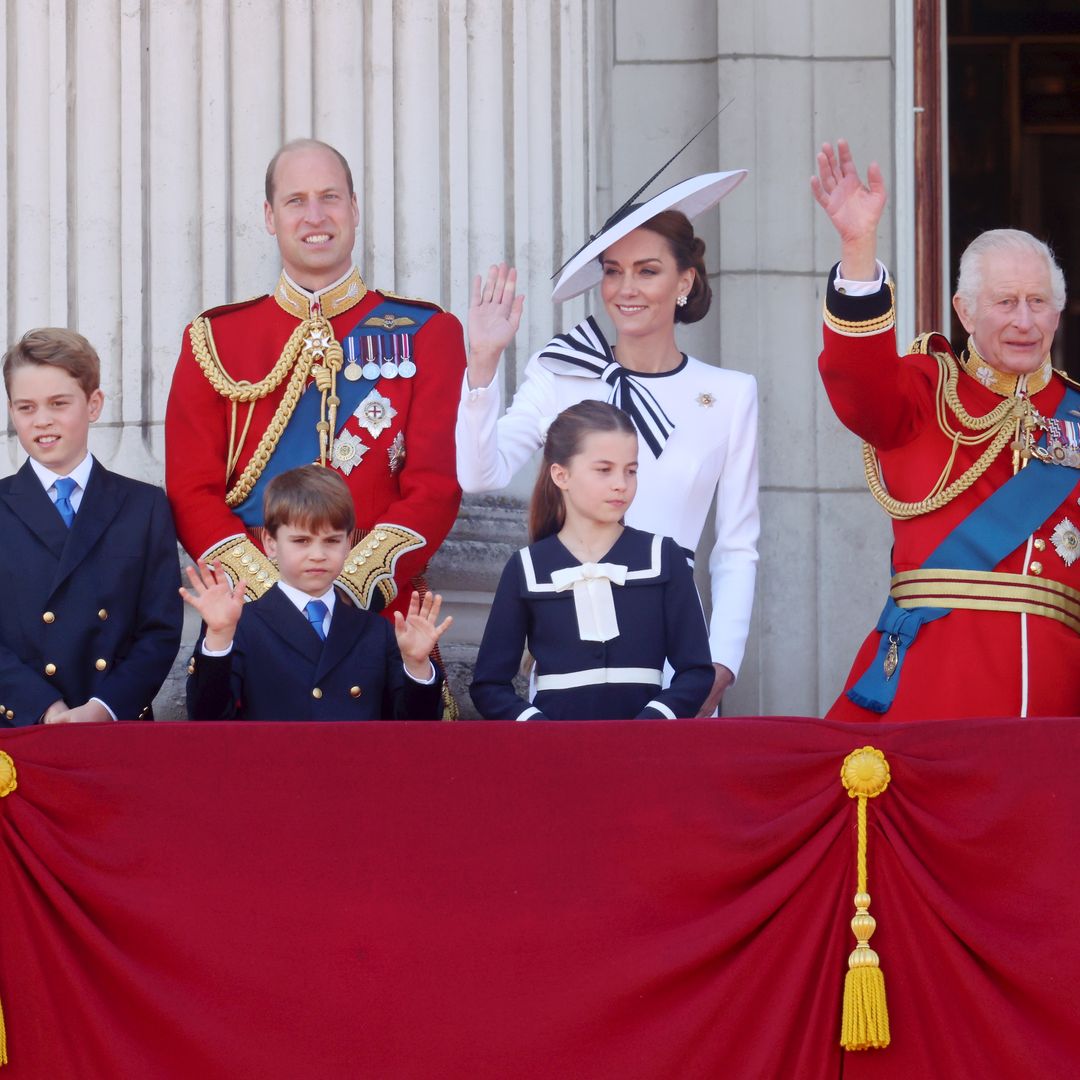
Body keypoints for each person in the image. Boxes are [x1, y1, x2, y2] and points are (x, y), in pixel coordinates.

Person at [457, 171, 759, 715]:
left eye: (648, 271)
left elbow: (736, 545)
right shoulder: (561, 372)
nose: (626, 289)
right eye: (613, 272)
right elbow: (480, 474)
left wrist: (719, 664)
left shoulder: (731, 394)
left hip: (677, 655)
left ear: (684, 281)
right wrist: (482, 365)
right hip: (569, 648)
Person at [811, 138, 1080, 720]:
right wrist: (858, 248)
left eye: (1040, 302)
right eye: (1006, 302)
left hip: (1059, 707)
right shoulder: (925, 390)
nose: (1025, 321)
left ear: (1059, 312)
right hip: (931, 696)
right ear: (964, 311)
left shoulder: (1075, 415)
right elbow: (858, 382)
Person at [165, 138, 465, 627]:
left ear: (354, 208)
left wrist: (349, 588)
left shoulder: (428, 333)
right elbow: (190, 490)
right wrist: (270, 597)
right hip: (252, 615)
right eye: (295, 201)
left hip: (377, 615)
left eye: (330, 197)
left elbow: (435, 486)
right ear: (269, 216)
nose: (315, 216)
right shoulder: (214, 339)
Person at [470, 401, 715, 720]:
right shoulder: (527, 568)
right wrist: (538, 729)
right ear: (561, 475)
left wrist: (654, 722)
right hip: (558, 758)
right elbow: (489, 685)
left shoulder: (662, 556)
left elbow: (696, 671)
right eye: (604, 470)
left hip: (647, 755)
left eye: (631, 470)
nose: (621, 484)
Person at [0, 328, 182, 725]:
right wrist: (43, 707)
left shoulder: (144, 506)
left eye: (58, 403)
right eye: (26, 407)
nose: (42, 421)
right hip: (19, 727)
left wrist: (105, 708)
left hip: (116, 724)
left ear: (93, 404)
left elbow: (160, 630)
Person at [182, 464, 451, 721]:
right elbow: (209, 717)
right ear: (270, 543)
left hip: (358, 767)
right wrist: (217, 639)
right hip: (271, 765)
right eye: (301, 541)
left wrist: (416, 666)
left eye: (332, 541)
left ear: (348, 544)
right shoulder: (242, 625)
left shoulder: (376, 631)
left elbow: (415, 727)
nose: (318, 555)